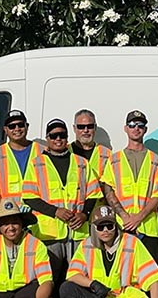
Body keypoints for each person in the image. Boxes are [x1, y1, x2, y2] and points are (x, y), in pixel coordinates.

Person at [22, 118, 101, 284]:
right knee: (50, 278)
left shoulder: (81, 163)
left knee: (80, 276)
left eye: (62, 135)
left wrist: (84, 215)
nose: (58, 139)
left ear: (67, 137)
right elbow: (29, 197)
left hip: (78, 231)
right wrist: (55, 211)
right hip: (49, 232)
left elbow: (94, 193)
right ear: (47, 138)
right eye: (53, 136)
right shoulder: (37, 164)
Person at [101, 110, 158, 265]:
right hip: (121, 226)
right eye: (132, 124)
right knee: (124, 273)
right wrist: (125, 217)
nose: (136, 128)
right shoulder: (115, 160)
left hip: (149, 228)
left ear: (145, 129)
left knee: (151, 275)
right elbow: (108, 190)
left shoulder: (156, 160)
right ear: (126, 128)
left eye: (140, 125)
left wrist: (139, 217)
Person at [0, 109, 43, 214]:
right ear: (5, 129)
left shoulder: (42, 152)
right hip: (12, 219)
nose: (17, 129)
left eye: (20, 125)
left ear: (27, 126)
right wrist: (4, 215)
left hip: (40, 217)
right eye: (12, 126)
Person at [70, 108, 112, 181]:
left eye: (90, 126)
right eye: (81, 127)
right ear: (74, 128)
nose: (86, 130)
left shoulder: (107, 155)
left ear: (95, 127)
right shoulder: (65, 151)